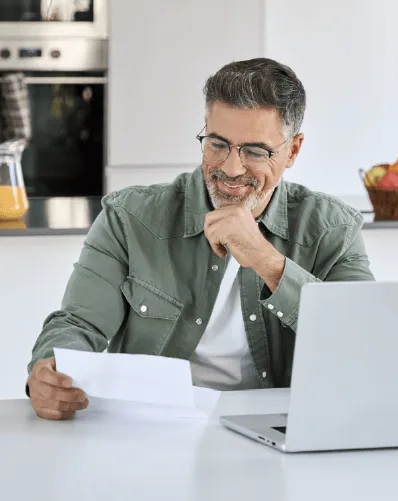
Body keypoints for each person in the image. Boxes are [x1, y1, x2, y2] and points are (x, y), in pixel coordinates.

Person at [27, 58, 375, 420]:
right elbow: (78, 324)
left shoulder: (333, 228)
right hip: (153, 427)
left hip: (278, 427)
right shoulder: (129, 217)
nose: (231, 168)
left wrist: (267, 261)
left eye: (255, 151)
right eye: (217, 144)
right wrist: (49, 369)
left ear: (293, 150)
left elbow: (364, 346)